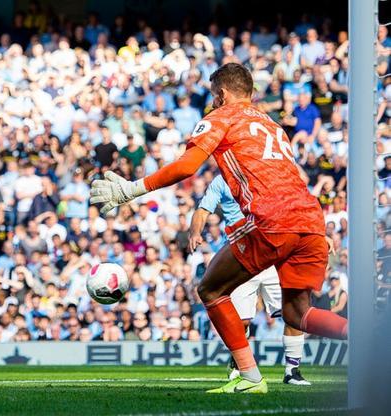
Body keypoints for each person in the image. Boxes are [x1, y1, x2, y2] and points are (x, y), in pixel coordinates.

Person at [90, 63, 348, 394]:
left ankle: (251, 377)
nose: (212, 102)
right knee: (298, 314)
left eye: (214, 96)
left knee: (211, 289)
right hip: (311, 219)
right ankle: (366, 338)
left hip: (271, 219)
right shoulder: (273, 126)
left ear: (222, 94)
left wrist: (131, 189)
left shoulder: (222, 117)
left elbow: (186, 166)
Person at [189, 174, 311, 385]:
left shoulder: (266, 172)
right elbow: (203, 210)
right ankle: (239, 362)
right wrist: (194, 231)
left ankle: (293, 371)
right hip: (241, 257)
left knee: (293, 314)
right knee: (241, 321)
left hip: (273, 254)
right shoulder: (221, 181)